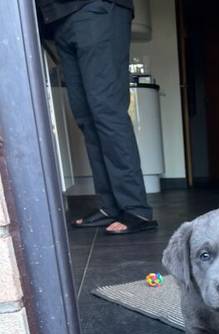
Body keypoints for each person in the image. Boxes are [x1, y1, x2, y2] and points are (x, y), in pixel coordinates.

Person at [37, 0, 158, 235]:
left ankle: (136, 209)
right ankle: (110, 207)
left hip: (95, 8)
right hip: (61, 18)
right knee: (86, 117)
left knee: (107, 112)